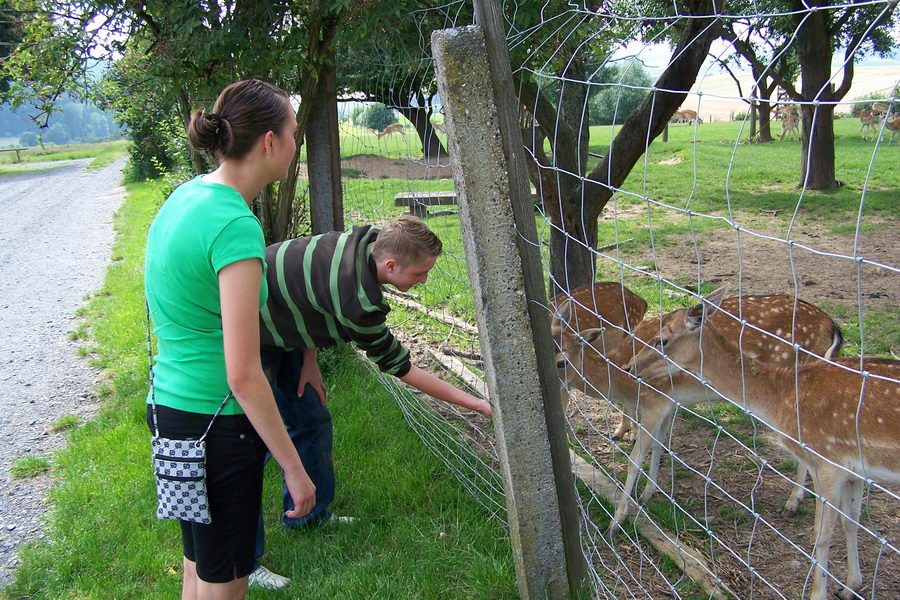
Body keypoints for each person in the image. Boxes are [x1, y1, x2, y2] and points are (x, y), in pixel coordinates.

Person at [248, 216, 492, 589]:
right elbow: (401, 366)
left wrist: (309, 360)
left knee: (311, 416)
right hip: (245, 332)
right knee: (247, 446)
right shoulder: (360, 301)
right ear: (390, 265)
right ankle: (241, 562)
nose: (424, 280)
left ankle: (310, 516)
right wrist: (474, 403)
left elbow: (308, 295)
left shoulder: (363, 240)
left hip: (284, 328)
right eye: (420, 273)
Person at [144, 79, 316, 600]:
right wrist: (295, 468)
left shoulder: (187, 197)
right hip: (217, 428)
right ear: (269, 141)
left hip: (171, 411)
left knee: (199, 565)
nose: (295, 144)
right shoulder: (235, 226)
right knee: (226, 582)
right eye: (292, 132)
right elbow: (243, 373)